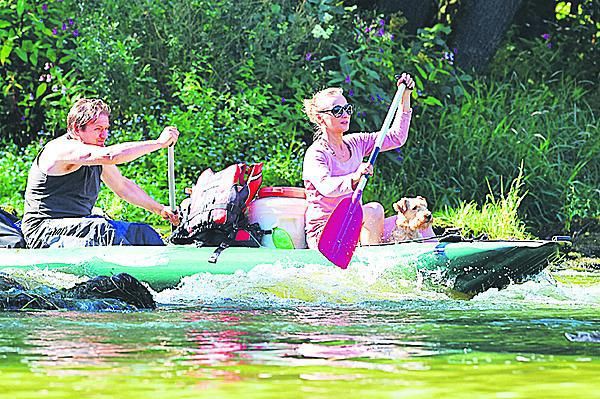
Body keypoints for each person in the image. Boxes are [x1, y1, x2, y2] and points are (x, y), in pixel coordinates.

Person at [21, 98, 180, 249]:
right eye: (98, 129)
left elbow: (122, 186)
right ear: (77, 129)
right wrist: (159, 143)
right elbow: (111, 156)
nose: (104, 135)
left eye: (106, 129)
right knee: (102, 229)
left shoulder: (97, 153)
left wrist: (159, 209)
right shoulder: (59, 149)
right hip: (42, 231)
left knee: (142, 233)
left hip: (79, 226)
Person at [302, 73, 435, 249]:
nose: (345, 114)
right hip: (326, 235)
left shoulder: (356, 142)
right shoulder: (316, 154)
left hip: (353, 226)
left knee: (417, 221)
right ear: (320, 118)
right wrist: (355, 177)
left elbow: (397, 137)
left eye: (347, 109)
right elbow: (327, 187)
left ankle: (439, 260)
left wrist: (405, 96)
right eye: (337, 111)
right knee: (374, 210)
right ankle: (373, 266)